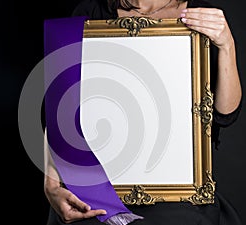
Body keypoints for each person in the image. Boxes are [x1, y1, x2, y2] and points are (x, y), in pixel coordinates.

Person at [44, 0, 243, 224]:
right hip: (99, 191)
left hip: (179, 193)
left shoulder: (201, 14)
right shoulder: (89, 13)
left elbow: (225, 115)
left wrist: (227, 45)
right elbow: (60, 107)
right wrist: (50, 185)